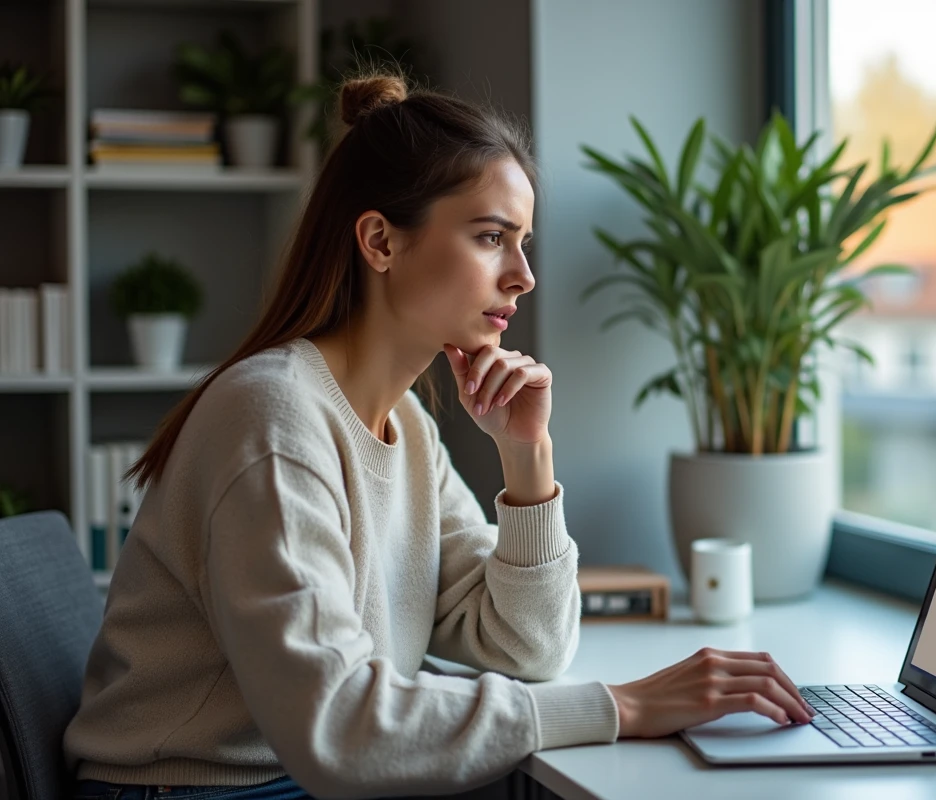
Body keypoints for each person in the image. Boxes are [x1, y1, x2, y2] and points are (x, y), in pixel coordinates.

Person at [63, 72, 815, 800]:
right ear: (381, 243)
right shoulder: (274, 419)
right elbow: (340, 731)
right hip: (207, 787)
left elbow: (529, 646)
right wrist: (623, 706)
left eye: (523, 242)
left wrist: (527, 461)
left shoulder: (407, 426)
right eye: (492, 237)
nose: (523, 275)